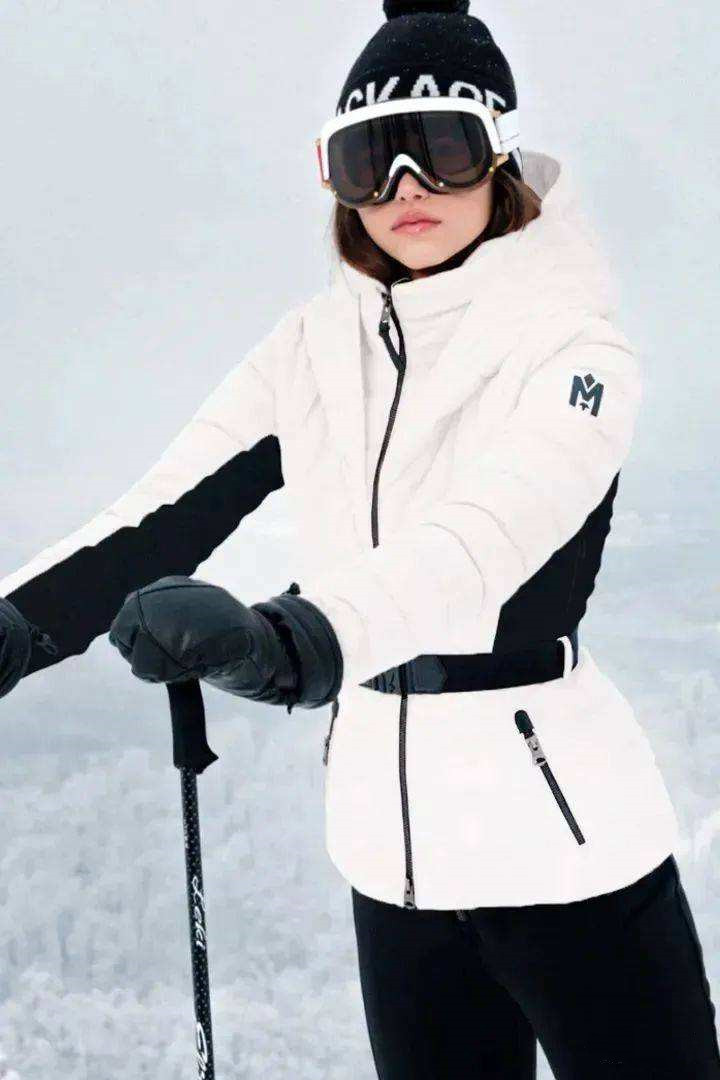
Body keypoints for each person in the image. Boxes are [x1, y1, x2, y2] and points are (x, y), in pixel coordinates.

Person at [1, 1, 718, 1076]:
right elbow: (166, 510)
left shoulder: (576, 349)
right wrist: (18, 628)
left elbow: (481, 544)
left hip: (567, 847)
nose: (405, 189)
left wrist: (297, 638)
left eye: (441, 150)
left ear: (500, 156)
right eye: (368, 161)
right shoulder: (312, 348)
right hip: (393, 863)